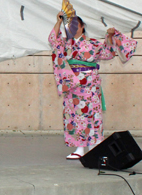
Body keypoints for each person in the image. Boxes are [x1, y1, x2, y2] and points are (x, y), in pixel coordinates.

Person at [49, 11, 137, 159]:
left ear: (83, 27)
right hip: (72, 83)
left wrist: (110, 36)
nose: (73, 27)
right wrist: (58, 21)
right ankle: (79, 148)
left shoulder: (93, 43)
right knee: (74, 115)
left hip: (90, 83)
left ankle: (94, 146)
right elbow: (53, 40)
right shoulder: (64, 43)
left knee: (92, 114)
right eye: (70, 25)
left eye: (76, 25)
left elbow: (108, 53)